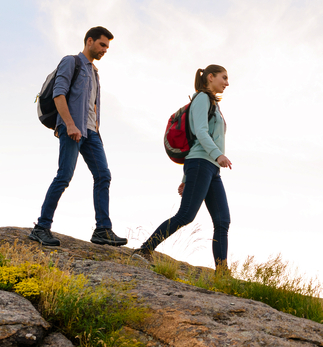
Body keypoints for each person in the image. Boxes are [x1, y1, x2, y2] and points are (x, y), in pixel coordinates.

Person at [30, 27, 128, 247]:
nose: (105, 50)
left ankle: (102, 229)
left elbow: (93, 105)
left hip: (91, 133)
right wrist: (70, 124)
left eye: (107, 47)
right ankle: (41, 227)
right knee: (64, 176)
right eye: (102, 45)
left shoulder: (94, 73)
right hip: (72, 129)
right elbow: (59, 93)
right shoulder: (71, 61)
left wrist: (95, 129)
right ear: (89, 41)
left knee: (103, 175)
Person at [135, 66, 231, 272]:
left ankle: (223, 274)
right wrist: (218, 155)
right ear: (210, 77)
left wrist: (187, 177)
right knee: (186, 215)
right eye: (224, 77)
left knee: (223, 220)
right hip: (201, 163)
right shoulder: (202, 99)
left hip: (211, 169)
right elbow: (200, 133)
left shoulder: (213, 103)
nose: (227, 83)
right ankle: (144, 250)